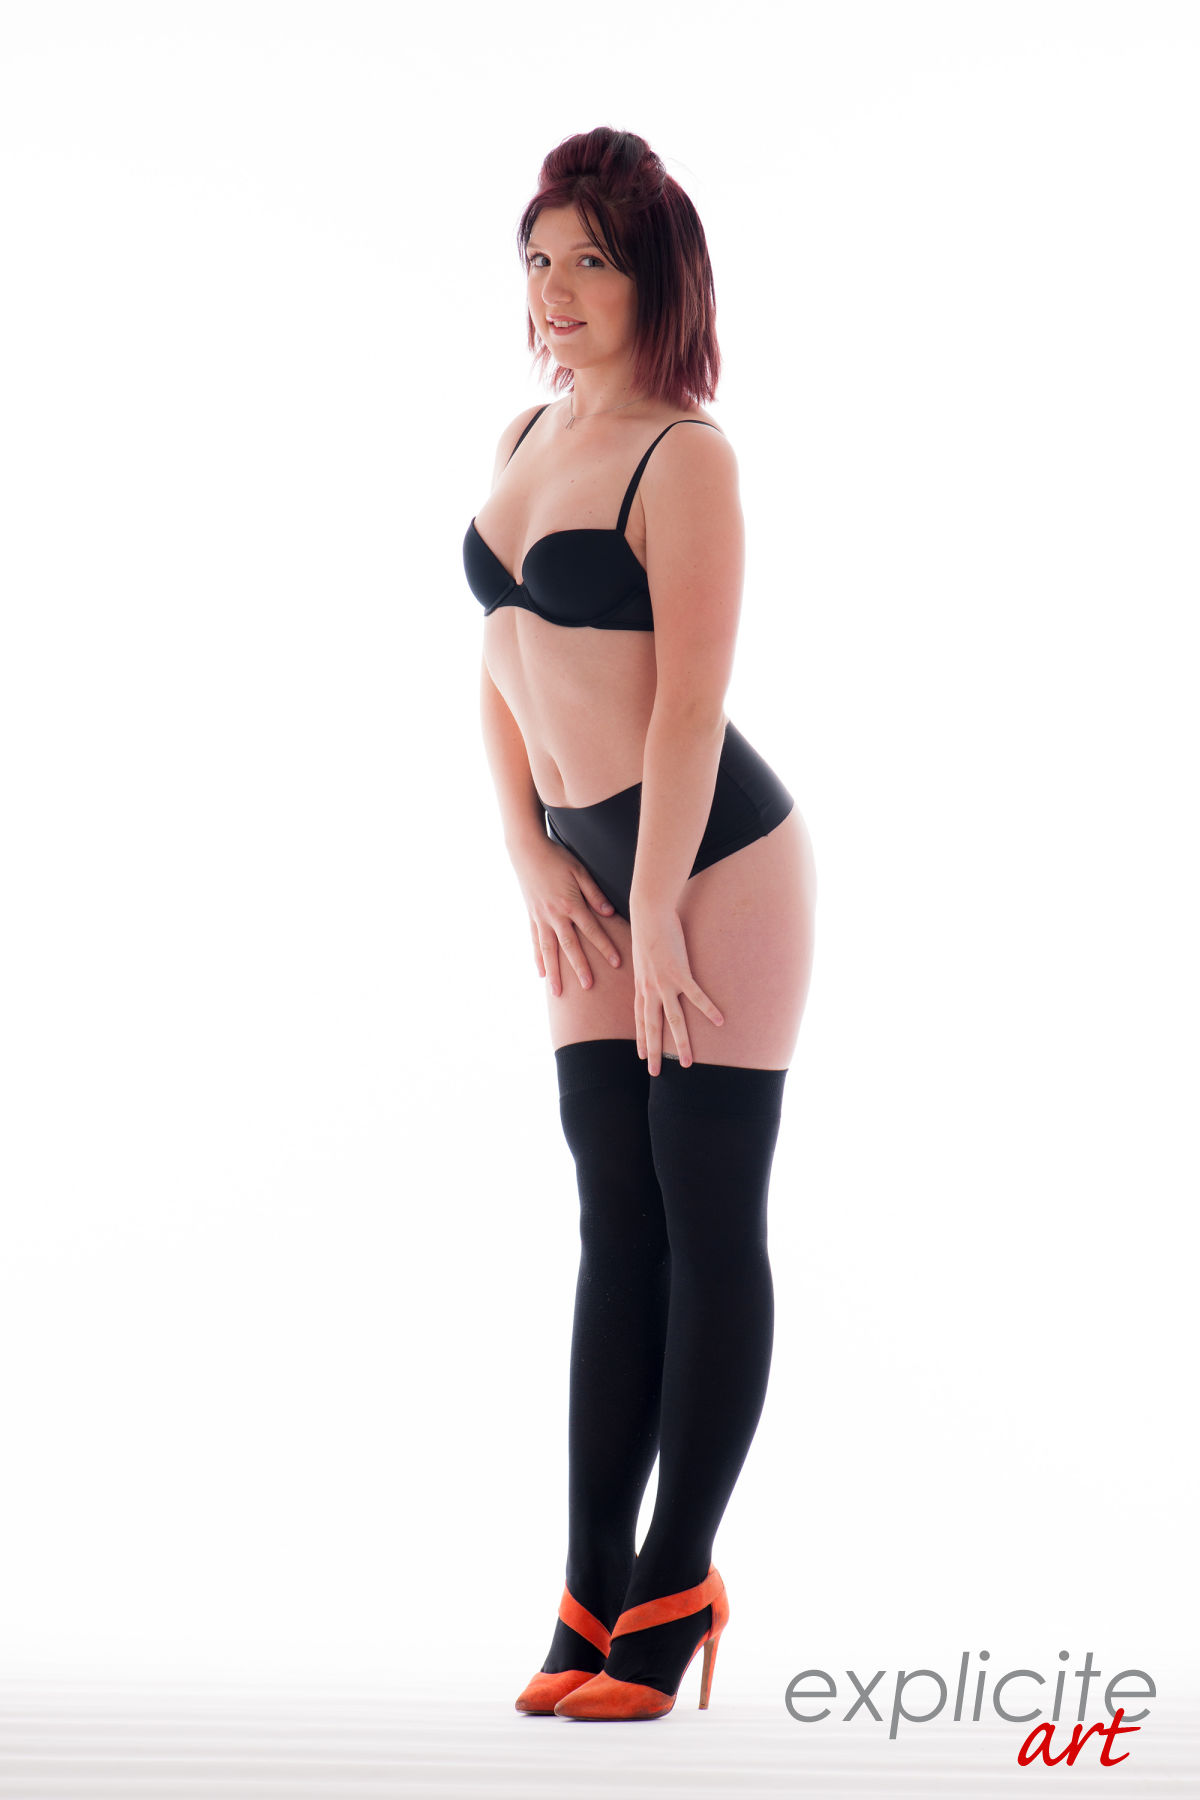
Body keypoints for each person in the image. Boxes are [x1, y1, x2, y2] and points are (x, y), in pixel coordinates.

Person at [463, 127, 817, 1722]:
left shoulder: (688, 458)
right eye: (539, 259)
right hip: (591, 871)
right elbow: (500, 658)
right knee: (617, 1215)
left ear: (655, 275)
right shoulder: (527, 432)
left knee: (703, 1210)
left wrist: (661, 904)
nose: (555, 290)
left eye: (590, 262)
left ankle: (674, 1591)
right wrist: (533, 855)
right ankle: (587, 1591)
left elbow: (687, 709)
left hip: (719, 866)